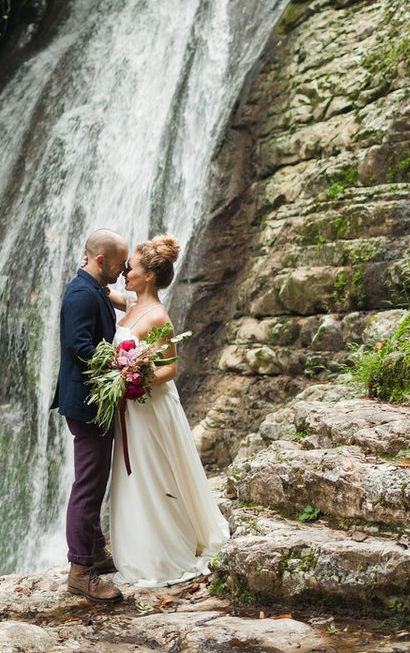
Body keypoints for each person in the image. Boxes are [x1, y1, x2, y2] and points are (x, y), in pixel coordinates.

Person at [105, 233, 230, 586]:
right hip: (132, 408)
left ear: (148, 276)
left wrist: (135, 381)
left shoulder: (158, 316)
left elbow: (171, 368)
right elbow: (101, 291)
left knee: (153, 472)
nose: (125, 273)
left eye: (130, 269)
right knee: (133, 476)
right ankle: (140, 544)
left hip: (149, 406)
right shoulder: (132, 305)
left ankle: (164, 549)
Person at [52, 228, 128, 602]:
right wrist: (123, 365)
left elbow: (115, 298)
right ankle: (80, 571)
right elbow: (79, 345)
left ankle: (96, 551)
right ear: (100, 261)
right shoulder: (82, 294)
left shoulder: (93, 287)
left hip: (90, 400)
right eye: (119, 265)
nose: (124, 269)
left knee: (94, 480)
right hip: (87, 403)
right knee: (88, 486)